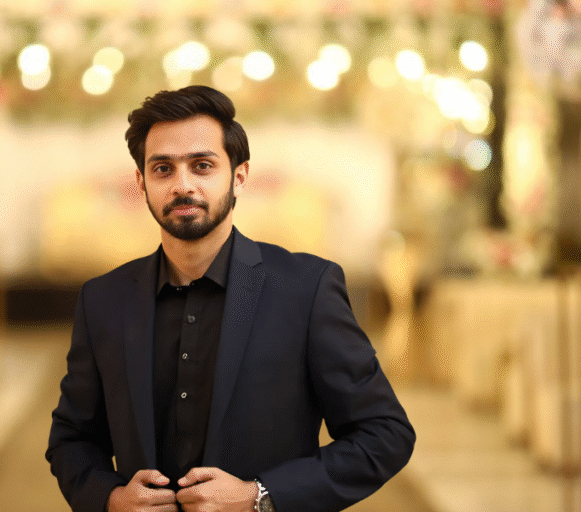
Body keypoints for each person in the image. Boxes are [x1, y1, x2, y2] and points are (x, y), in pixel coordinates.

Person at [46, 85, 415, 512]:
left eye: (202, 166)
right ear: (141, 181)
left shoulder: (306, 289)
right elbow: (72, 439)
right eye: (163, 169)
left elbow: (385, 433)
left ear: (238, 176)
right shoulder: (103, 300)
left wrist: (259, 495)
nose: (183, 185)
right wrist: (109, 499)